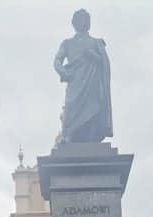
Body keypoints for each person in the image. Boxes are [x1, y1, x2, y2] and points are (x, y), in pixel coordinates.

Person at [54, 8, 113, 143]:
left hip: (92, 84)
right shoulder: (67, 43)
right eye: (80, 20)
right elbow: (57, 60)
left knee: (92, 109)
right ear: (74, 23)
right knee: (70, 108)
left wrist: (93, 55)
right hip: (75, 83)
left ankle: (92, 137)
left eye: (86, 19)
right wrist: (63, 72)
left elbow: (104, 63)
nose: (84, 22)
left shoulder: (96, 43)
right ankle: (69, 135)